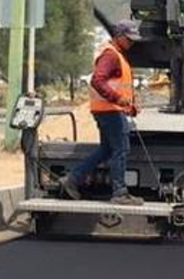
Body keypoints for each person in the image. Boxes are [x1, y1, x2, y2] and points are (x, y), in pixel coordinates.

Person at [61, 21, 144, 206]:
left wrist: (128, 106)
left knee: (107, 150)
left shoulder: (116, 54)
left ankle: (73, 179)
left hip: (109, 110)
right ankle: (119, 193)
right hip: (110, 111)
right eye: (129, 39)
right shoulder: (111, 55)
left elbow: (115, 84)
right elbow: (97, 80)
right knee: (121, 150)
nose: (131, 44)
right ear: (119, 36)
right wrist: (117, 99)